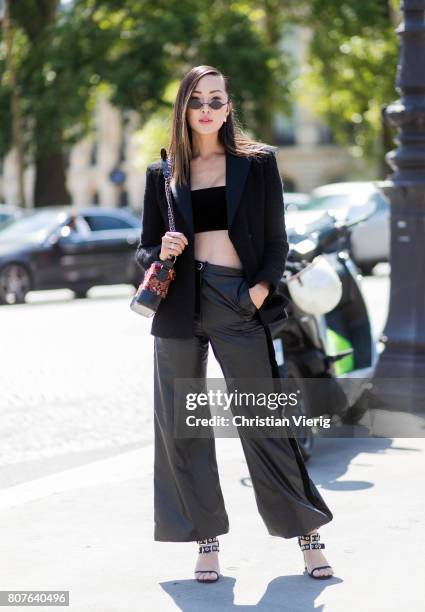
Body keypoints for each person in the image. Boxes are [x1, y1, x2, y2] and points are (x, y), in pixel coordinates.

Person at [135, 65, 335, 583]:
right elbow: (143, 247)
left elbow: (275, 240)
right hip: (178, 303)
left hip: (236, 297)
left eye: (216, 100)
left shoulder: (257, 163)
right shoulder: (162, 173)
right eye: (197, 100)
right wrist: (160, 249)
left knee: (265, 420)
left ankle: (307, 537)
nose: (206, 109)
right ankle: (206, 543)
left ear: (229, 107)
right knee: (183, 428)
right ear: (183, 108)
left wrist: (259, 290)